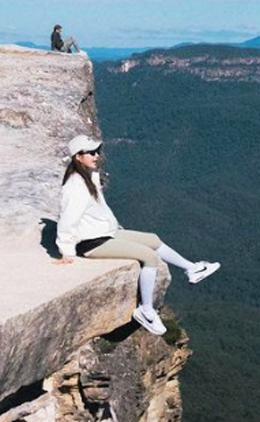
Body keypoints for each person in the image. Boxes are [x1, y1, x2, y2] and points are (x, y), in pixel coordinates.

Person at [56, 134, 220, 335]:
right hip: (91, 243)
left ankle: (192, 269)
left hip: (105, 233)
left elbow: (100, 210)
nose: (96, 155)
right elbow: (67, 219)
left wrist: (116, 228)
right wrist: (66, 250)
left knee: (152, 239)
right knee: (149, 256)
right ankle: (146, 311)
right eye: (91, 152)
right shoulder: (75, 186)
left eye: (97, 151)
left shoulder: (88, 176)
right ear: (77, 157)